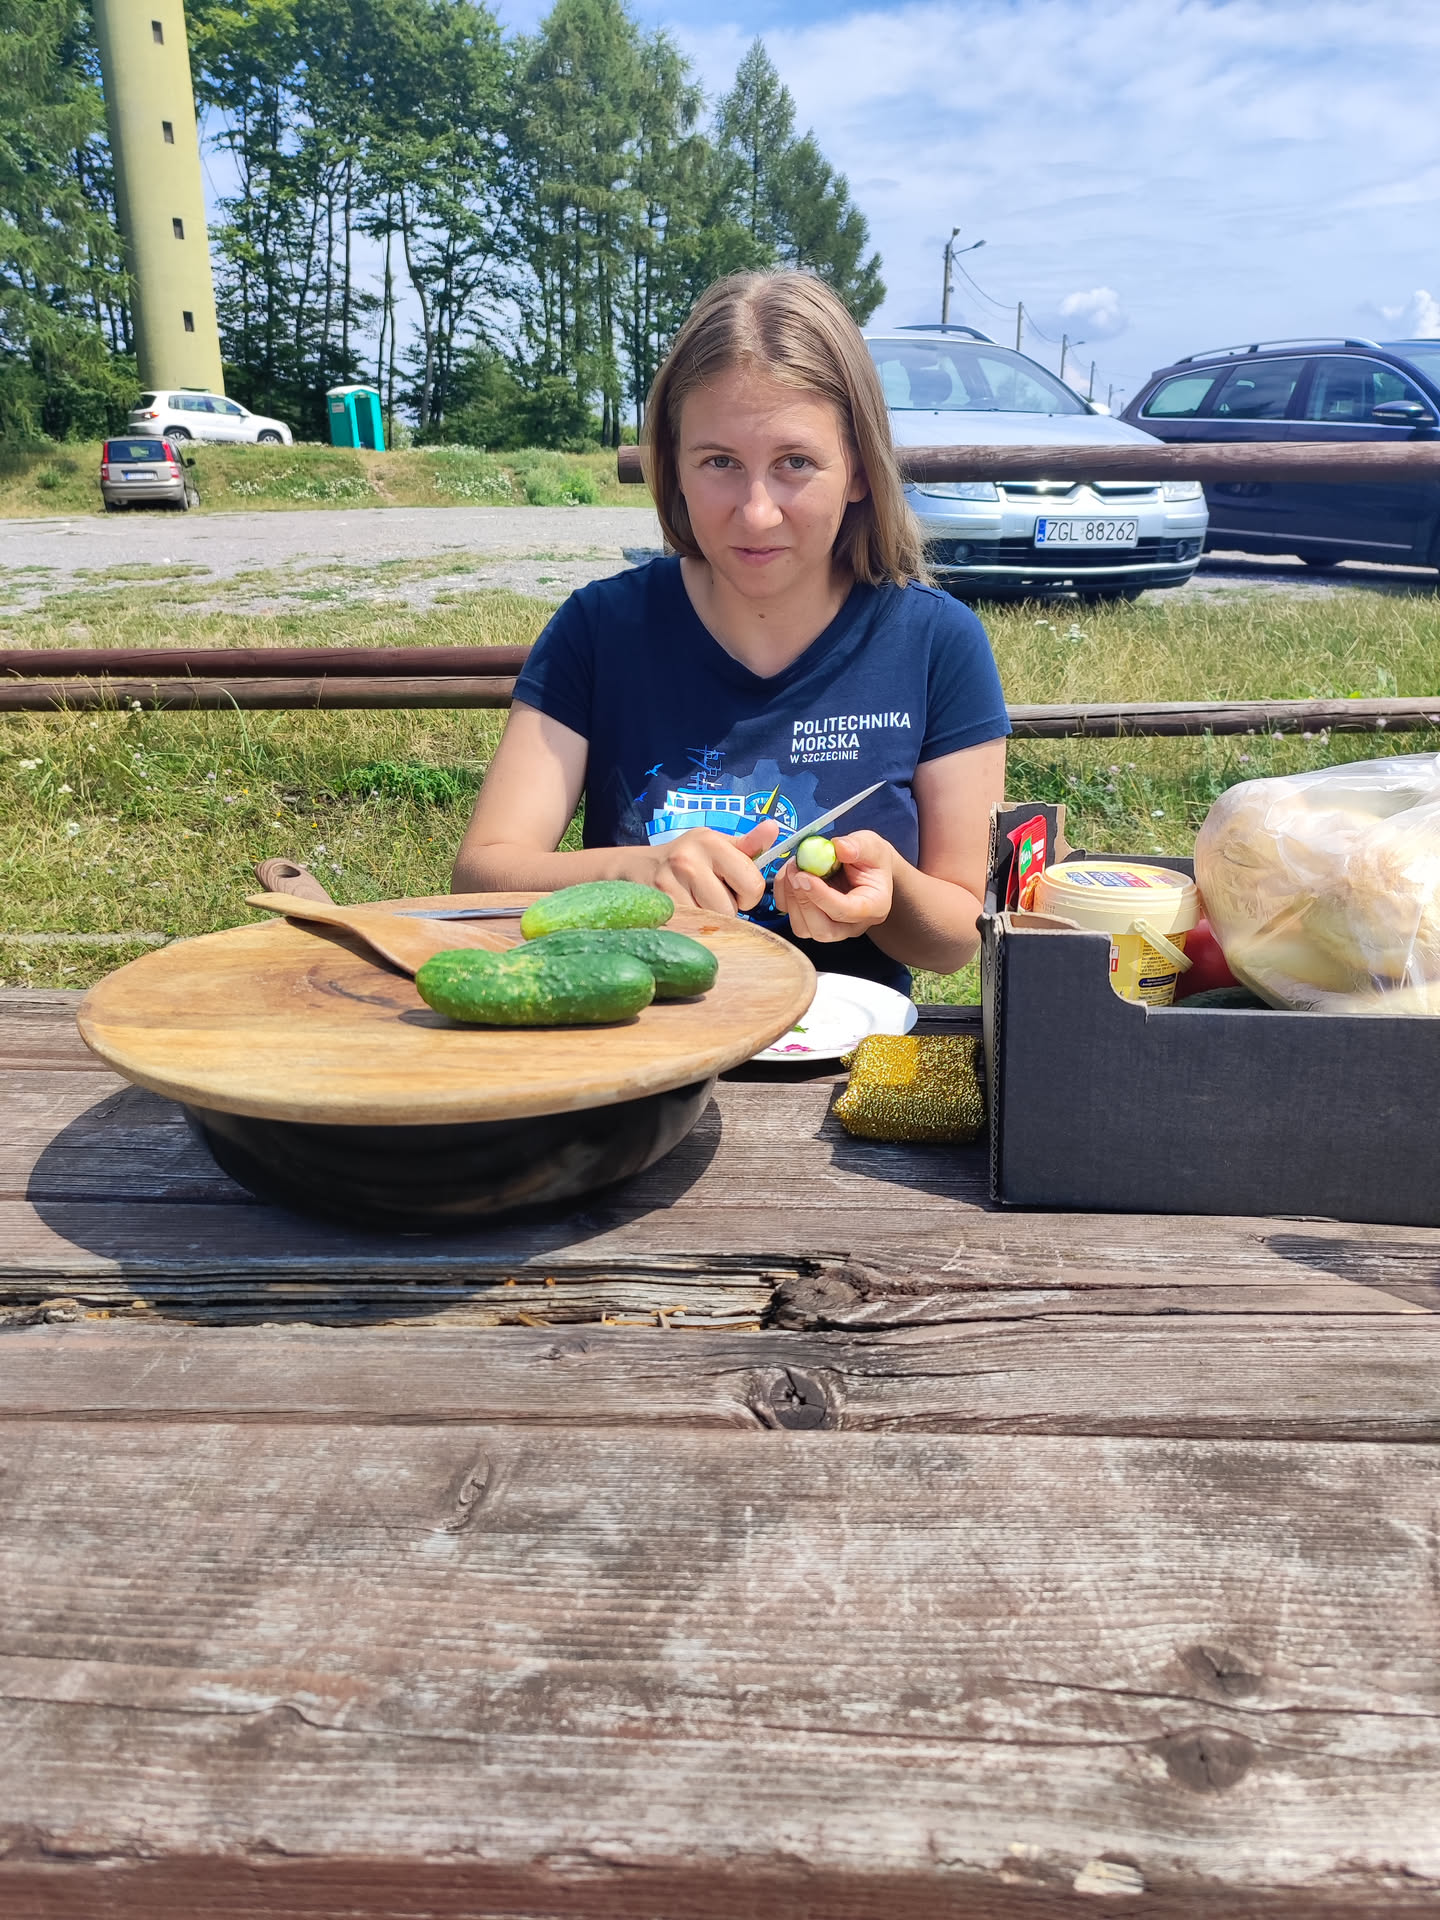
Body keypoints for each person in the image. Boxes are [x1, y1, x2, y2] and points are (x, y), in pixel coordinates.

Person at [452, 270, 1010, 990]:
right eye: (720, 462)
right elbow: (482, 873)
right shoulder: (599, 630)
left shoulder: (938, 643)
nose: (756, 513)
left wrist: (890, 891)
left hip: (852, 1047)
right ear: (674, 469)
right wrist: (640, 869)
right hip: (641, 1034)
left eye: (795, 463)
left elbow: (957, 939)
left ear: (858, 472)